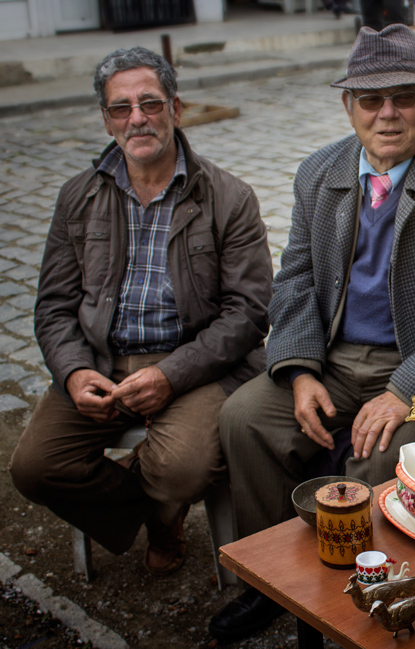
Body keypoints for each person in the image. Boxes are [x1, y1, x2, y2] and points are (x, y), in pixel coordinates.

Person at [209, 25, 415, 642]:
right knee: (245, 418)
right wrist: (298, 373)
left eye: (404, 96)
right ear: (347, 105)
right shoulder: (319, 173)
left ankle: (367, 601)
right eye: (370, 100)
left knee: (384, 457)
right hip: (331, 356)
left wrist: (406, 389)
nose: (387, 113)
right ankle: (275, 584)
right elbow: (294, 281)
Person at [8, 47, 272, 576]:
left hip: (196, 366)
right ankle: (158, 517)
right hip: (102, 362)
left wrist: (170, 375)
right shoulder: (77, 197)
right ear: (106, 119)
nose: (137, 118)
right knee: (34, 469)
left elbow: (248, 312)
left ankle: (160, 501)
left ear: (175, 107)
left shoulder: (229, 197)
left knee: (183, 469)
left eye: (150, 103)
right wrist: (75, 370)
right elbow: (55, 305)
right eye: (121, 107)